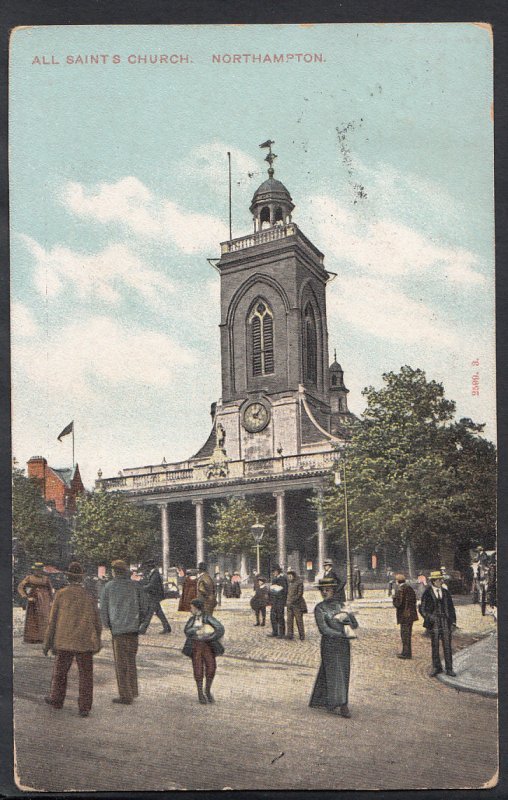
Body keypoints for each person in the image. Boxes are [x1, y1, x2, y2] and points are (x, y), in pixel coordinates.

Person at [43, 562, 102, 718]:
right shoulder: (89, 596)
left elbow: (52, 621)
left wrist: (47, 643)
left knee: (60, 672)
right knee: (86, 676)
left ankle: (56, 700)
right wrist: (98, 640)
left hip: (64, 641)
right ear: (81, 579)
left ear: (68, 577)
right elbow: (97, 622)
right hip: (84, 642)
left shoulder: (60, 594)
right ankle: (84, 707)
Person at [309, 576, 358, 717]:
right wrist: (341, 634)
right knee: (335, 672)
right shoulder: (320, 608)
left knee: (339, 671)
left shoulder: (341, 606)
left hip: (343, 645)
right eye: (322, 590)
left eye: (328, 590)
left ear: (333, 590)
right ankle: (343, 704)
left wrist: (349, 615)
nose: (324, 592)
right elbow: (323, 629)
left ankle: (320, 698)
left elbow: (354, 625)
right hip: (329, 645)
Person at [100, 559, 144, 705]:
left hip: (118, 630)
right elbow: (144, 606)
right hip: (133, 629)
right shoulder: (134, 586)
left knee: (121, 663)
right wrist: (140, 621)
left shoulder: (108, 587)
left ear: (113, 571)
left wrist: (107, 624)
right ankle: (133, 690)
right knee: (131, 661)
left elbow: (104, 609)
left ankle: (125, 695)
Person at [182, 597, 225, 704]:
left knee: (211, 668)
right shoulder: (192, 619)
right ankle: (200, 693)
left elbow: (220, 629)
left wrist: (210, 637)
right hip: (195, 646)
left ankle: (208, 690)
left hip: (207, 646)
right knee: (198, 669)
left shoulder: (207, 617)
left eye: (192, 607)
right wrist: (196, 629)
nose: (191, 610)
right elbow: (186, 631)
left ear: (197, 608)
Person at [420, 570, 457, 677]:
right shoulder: (427, 593)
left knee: (447, 645)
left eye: (441, 579)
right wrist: (430, 618)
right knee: (435, 645)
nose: (441, 581)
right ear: (433, 581)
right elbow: (422, 609)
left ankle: (449, 668)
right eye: (439, 579)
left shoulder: (445, 592)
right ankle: (436, 667)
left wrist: (453, 622)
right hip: (434, 622)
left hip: (445, 621)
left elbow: (451, 608)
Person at [17, 562, 53, 643]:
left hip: (45, 600)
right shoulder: (29, 578)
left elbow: (50, 590)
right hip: (33, 599)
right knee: (33, 618)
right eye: (37, 570)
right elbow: (20, 587)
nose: (38, 572)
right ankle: (32, 638)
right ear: (34, 570)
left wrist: (51, 600)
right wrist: (26, 596)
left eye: (40, 570)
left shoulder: (46, 578)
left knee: (44, 617)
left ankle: (44, 638)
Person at [138, 559, 171, 635]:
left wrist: (142, 588)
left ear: (149, 566)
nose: (145, 568)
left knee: (149, 613)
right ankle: (167, 627)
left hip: (154, 596)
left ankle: (142, 629)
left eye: (146, 567)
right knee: (159, 613)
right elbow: (148, 583)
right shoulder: (153, 573)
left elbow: (151, 585)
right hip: (154, 596)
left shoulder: (155, 573)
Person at [392, 573, 419, 659]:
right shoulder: (409, 588)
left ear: (397, 581)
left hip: (404, 615)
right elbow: (414, 599)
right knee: (408, 634)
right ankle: (407, 652)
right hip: (411, 615)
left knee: (404, 635)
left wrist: (393, 598)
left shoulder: (400, 589)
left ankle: (406, 653)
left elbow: (398, 604)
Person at [286, 567, 307, 640]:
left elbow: (300, 594)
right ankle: (290, 635)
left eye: (291, 575)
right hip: (289, 605)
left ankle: (302, 635)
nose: (289, 577)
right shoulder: (289, 583)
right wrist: (287, 601)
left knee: (299, 620)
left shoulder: (299, 582)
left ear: (294, 575)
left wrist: (292, 600)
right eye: (288, 576)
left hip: (297, 604)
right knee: (289, 620)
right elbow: (287, 593)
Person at [268, 565, 288, 638]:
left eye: (275, 571)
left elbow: (285, 590)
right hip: (274, 601)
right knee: (273, 616)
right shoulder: (274, 579)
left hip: (280, 601)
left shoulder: (282, 578)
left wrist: (278, 591)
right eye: (273, 572)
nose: (274, 573)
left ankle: (281, 633)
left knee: (280, 617)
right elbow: (271, 590)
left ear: (278, 571)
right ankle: (275, 631)